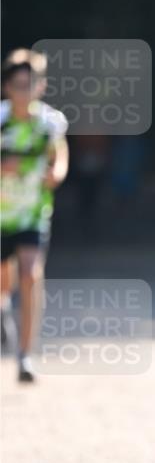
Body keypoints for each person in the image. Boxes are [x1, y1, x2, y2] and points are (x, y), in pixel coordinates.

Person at [0, 49, 69, 382]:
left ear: (41, 87)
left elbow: (60, 153)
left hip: (31, 213)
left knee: (29, 274)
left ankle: (25, 356)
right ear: (6, 88)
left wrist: (57, 172)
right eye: (18, 85)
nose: (24, 92)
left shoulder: (50, 122)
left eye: (31, 85)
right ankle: (2, 310)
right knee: (3, 280)